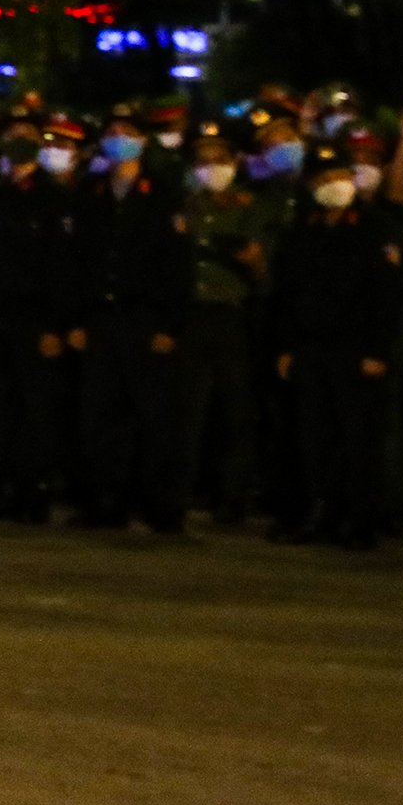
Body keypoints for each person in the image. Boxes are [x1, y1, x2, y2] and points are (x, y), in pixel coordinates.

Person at [269, 142, 403, 549]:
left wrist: (377, 352)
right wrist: (287, 347)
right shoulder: (303, 230)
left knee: (359, 439)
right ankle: (323, 513)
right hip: (312, 348)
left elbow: (386, 296)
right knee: (316, 437)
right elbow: (287, 296)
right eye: (325, 179)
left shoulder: (374, 227)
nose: (335, 185)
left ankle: (361, 519)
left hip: (356, 350)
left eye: (341, 176)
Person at [68, 106, 194, 531]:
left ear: (142, 140)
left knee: (156, 418)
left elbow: (177, 265)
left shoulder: (161, 193)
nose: (118, 136)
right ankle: (106, 502)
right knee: (102, 418)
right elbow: (79, 261)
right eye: (113, 130)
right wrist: (78, 319)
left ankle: (161, 505)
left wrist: (169, 325)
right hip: (103, 319)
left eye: (128, 130)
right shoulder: (92, 192)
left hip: (145, 319)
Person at [0, 113, 80, 522]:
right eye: (13, 138)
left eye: (28, 138)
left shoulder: (53, 196)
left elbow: (62, 267)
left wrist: (53, 325)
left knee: (36, 407)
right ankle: (6, 487)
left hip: (34, 319)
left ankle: (35, 491)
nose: (20, 145)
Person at [177, 124, 271, 524]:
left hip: (232, 315)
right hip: (190, 314)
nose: (212, 167)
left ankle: (231, 495)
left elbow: (257, 263)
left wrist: (239, 255)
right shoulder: (185, 206)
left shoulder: (249, 206)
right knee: (188, 409)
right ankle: (182, 492)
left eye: (220, 160)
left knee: (235, 411)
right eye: (204, 161)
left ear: (235, 164)